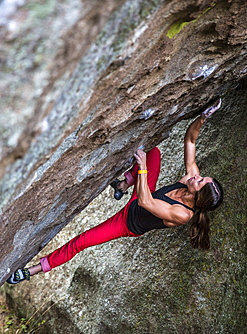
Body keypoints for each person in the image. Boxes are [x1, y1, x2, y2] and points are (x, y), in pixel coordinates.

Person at [7, 99, 223, 284]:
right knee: (153, 151)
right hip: (145, 194)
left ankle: (30, 271)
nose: (197, 176)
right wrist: (204, 117)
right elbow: (190, 140)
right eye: (202, 176)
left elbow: (147, 203)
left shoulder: (183, 214)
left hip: (128, 221)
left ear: (197, 196)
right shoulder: (190, 180)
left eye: (200, 181)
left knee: (81, 242)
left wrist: (143, 167)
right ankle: (122, 185)